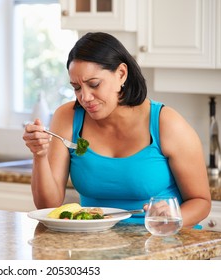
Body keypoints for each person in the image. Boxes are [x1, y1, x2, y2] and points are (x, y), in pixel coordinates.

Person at [23, 32, 211, 226]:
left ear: (121, 74)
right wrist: (40, 155)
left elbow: (201, 202)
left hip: (161, 239)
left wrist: (173, 217)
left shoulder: (166, 123)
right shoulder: (68, 117)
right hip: (95, 244)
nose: (85, 97)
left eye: (94, 84)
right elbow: (48, 205)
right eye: (77, 88)